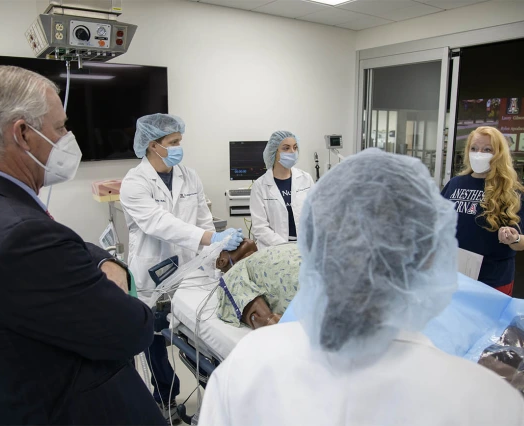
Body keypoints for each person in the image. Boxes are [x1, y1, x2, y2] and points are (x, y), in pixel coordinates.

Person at [199, 148, 524, 425]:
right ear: (431, 254)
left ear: (317, 244)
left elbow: (253, 313)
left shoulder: (248, 365)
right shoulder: (490, 402)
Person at [0, 66, 165, 425]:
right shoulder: (21, 237)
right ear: (23, 133)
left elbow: (65, 249)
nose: (68, 136)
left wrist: (99, 261)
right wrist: (113, 276)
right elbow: (135, 329)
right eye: (61, 127)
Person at [120, 113, 242, 423]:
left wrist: (216, 247)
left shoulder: (190, 176)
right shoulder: (134, 183)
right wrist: (210, 237)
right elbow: (160, 224)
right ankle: (166, 399)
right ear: (152, 145)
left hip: (192, 270)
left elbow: (202, 217)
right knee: (154, 340)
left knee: (193, 332)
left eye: (179, 142)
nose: (178, 148)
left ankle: (214, 394)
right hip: (152, 271)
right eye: (173, 143)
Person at [441, 126, 524, 296]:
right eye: (474, 148)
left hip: (492, 281)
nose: (479, 153)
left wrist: (513, 238)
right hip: (454, 275)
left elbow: (521, 242)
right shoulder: (455, 184)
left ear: (499, 154)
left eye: (487, 149)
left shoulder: (511, 191)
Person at [215, 240, 300, 329]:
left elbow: (268, 322)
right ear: (221, 262)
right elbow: (265, 320)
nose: (240, 238)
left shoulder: (236, 273)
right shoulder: (235, 273)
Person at [249, 130, 314, 248]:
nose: (292, 152)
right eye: (286, 148)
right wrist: (284, 246)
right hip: (274, 249)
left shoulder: (306, 179)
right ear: (274, 152)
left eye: (295, 147)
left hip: (304, 246)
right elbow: (259, 227)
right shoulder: (260, 186)